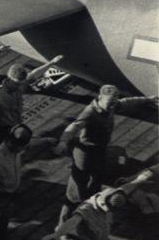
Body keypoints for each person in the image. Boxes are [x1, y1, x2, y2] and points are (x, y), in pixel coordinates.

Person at [56, 85, 157, 226]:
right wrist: (63, 141)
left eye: (114, 102)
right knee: (75, 191)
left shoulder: (111, 106)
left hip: (100, 151)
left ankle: (89, 213)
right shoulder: (90, 112)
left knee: (95, 184)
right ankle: (63, 224)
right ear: (100, 97)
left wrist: (147, 99)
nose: (112, 106)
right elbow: (74, 126)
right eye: (109, 102)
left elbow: (127, 102)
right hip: (85, 154)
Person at [45, 170, 154, 240]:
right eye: (108, 209)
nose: (109, 211)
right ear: (102, 202)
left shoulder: (114, 193)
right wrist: (57, 234)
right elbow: (72, 222)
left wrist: (142, 178)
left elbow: (128, 187)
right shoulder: (85, 209)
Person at [0, 58, 62, 147]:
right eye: (16, 83)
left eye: (21, 83)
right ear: (10, 78)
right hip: (2, 125)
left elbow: (34, 74)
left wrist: (51, 63)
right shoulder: (3, 92)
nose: (19, 85)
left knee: (18, 144)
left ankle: (46, 141)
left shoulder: (20, 83)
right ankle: (46, 140)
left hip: (15, 122)